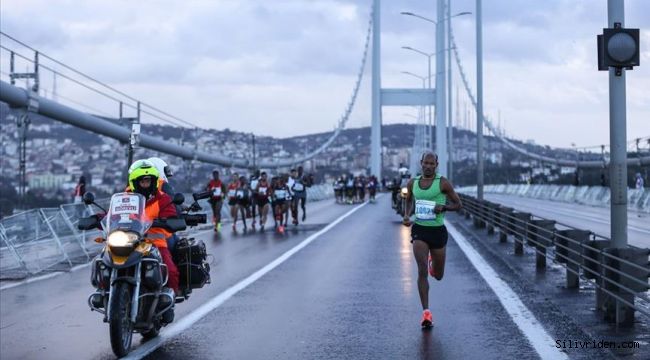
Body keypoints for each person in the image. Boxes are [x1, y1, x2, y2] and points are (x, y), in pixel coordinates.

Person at [402, 152, 462, 328]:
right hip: (420, 229)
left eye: (431, 163)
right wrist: (406, 215)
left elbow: (458, 204)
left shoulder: (442, 183)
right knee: (421, 271)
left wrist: (444, 207)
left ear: (436, 164)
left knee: (439, 276)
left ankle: (433, 266)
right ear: (421, 163)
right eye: (425, 163)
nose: (428, 166)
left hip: (438, 232)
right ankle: (426, 313)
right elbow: (409, 200)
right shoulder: (413, 183)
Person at [127, 160, 180, 297]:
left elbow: (170, 213)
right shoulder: (127, 197)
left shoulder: (162, 198)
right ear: (135, 182)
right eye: (142, 181)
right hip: (130, 239)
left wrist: (168, 221)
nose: (145, 184)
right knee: (105, 259)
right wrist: (97, 218)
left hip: (155, 240)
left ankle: (170, 298)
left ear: (154, 181)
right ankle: (104, 291)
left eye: (148, 181)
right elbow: (113, 213)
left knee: (171, 270)